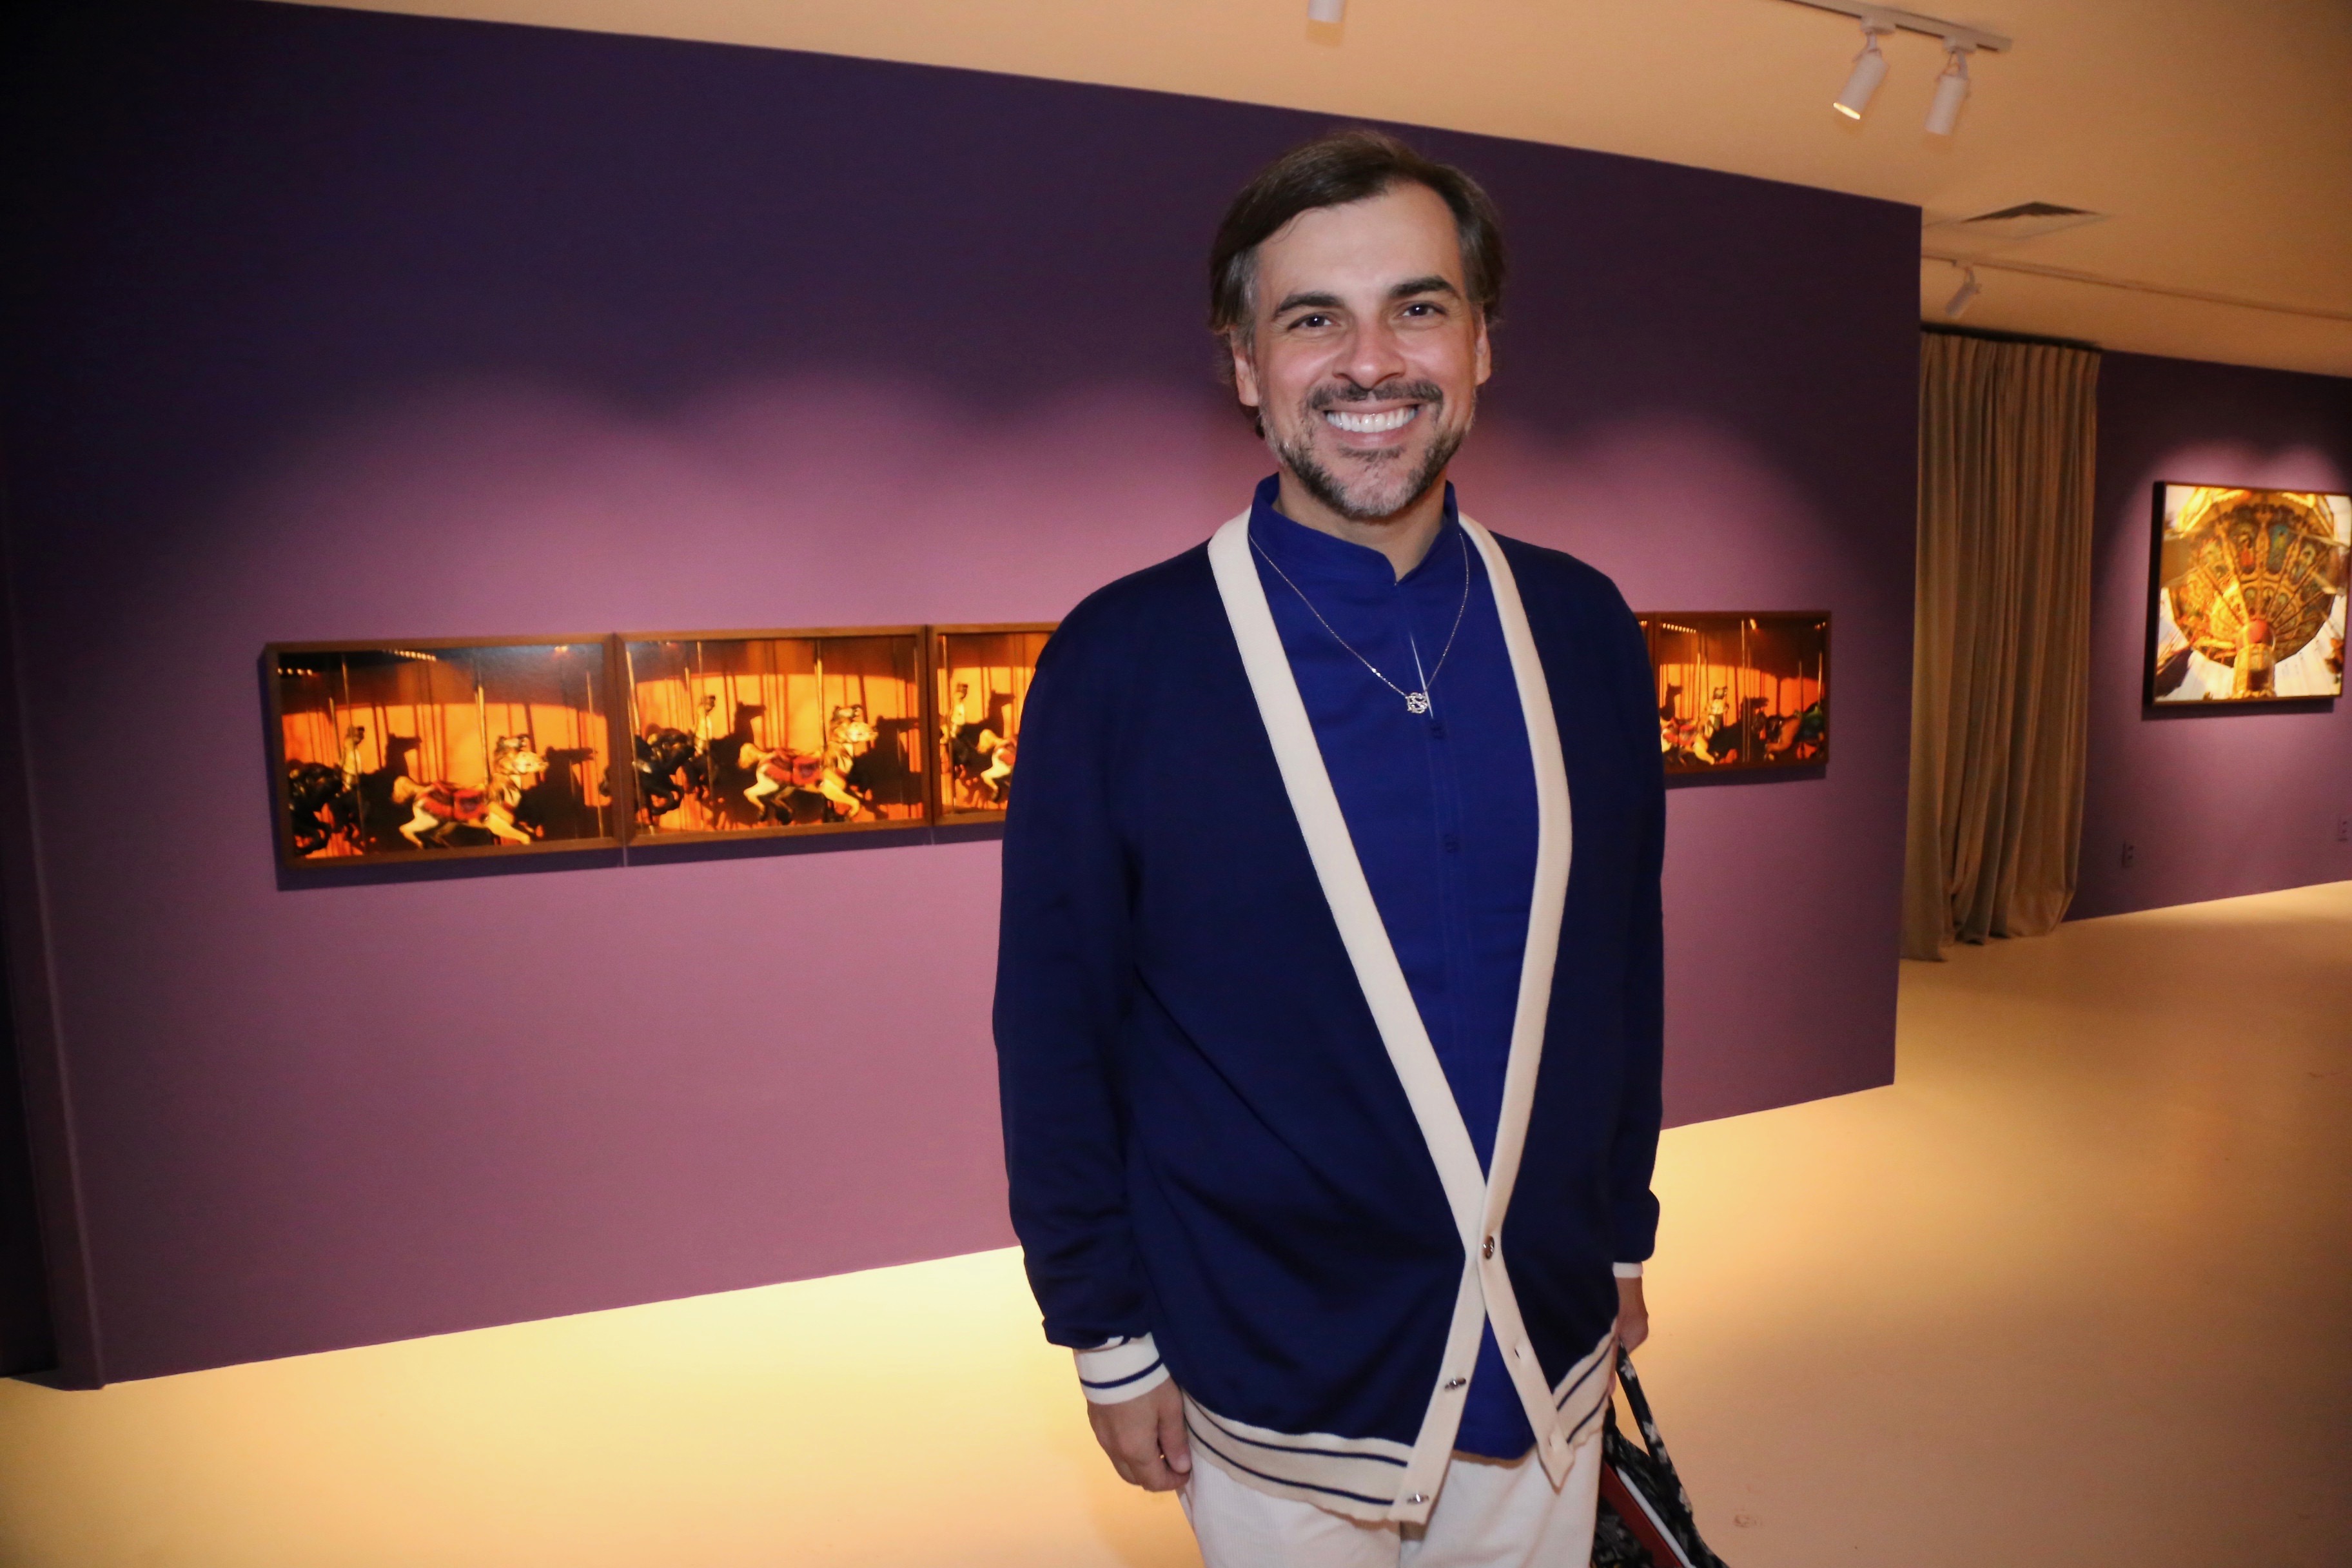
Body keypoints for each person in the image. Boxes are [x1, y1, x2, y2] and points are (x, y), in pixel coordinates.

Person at [995, 129, 1665, 1567]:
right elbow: (1057, 1030)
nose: (1372, 362)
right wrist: (1106, 1334)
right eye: (1313, 319)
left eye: (1419, 307)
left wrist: (1618, 1235)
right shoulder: (1123, 660)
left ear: (1481, 342)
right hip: (1273, 1373)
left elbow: (1621, 970)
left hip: (1545, 1349)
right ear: (1246, 363)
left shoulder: (1584, 629)